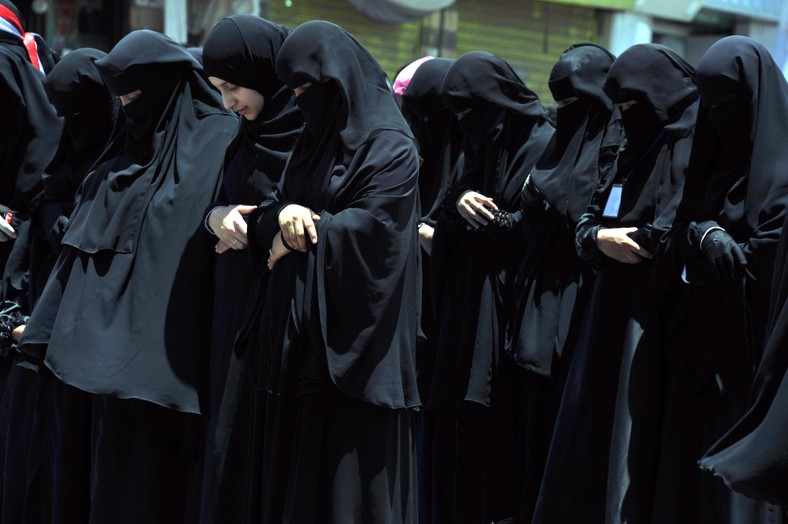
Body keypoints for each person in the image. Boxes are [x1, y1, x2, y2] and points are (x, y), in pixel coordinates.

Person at [18, 30, 237, 523]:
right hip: (92, 371)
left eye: (138, 97)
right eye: (122, 99)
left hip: (169, 367)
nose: (130, 109)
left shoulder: (219, 143)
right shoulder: (120, 155)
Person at [211, 20, 421, 523]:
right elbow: (274, 209)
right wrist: (281, 223)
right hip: (295, 341)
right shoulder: (313, 139)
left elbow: (376, 235)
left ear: (340, 81)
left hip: (355, 349)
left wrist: (305, 230)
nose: (301, 100)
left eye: (308, 89)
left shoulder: (391, 146)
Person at [532, 44, 699, 523]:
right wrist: (596, 238)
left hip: (659, 313)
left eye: (633, 103)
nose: (626, 115)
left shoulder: (694, 141)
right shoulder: (631, 144)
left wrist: (636, 239)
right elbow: (591, 210)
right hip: (610, 307)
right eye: (621, 106)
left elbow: (676, 221)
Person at [654, 35, 788, 521]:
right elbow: (679, 234)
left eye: (726, 102)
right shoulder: (710, 163)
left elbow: (759, 263)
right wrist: (706, 234)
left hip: (754, 364)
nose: (715, 113)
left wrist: (704, 238)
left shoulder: (782, 173)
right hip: (701, 359)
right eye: (707, 102)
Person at [428, 50, 553, 523]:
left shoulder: (544, 145)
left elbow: (541, 231)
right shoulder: (475, 148)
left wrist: (499, 220)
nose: (465, 122)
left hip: (511, 315)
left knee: (503, 430)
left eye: (471, 109)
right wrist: (459, 204)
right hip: (467, 311)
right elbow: (446, 211)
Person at [0, 47, 118, 524]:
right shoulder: (62, 163)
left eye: (80, 113)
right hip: (36, 342)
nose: (72, 124)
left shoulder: (124, 168)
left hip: (87, 354)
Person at [507, 42, 620, 522]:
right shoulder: (554, 146)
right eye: (561, 102)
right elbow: (525, 222)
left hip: (587, 306)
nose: (567, 113)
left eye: (577, 101)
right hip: (540, 303)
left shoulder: (619, 148)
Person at [198, 14, 302, 521]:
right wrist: (215, 217)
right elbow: (220, 201)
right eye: (218, 90)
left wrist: (264, 223)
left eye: (234, 86)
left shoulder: (312, 133)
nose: (228, 102)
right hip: (233, 309)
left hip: (284, 315)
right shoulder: (243, 134)